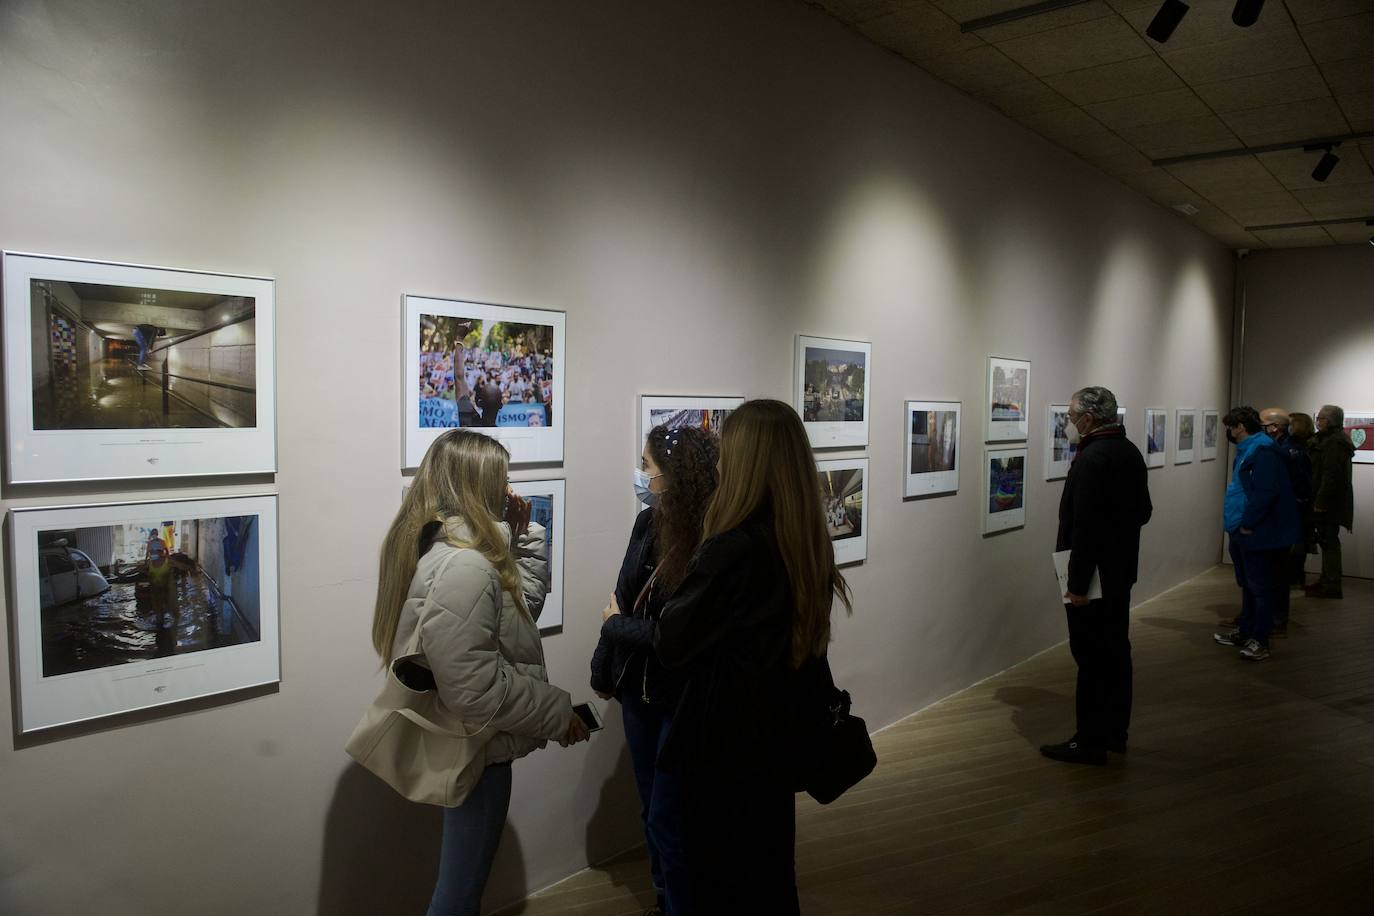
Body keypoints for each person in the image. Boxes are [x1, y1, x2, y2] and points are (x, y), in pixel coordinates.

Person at [623, 399, 851, 914]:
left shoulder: (732, 547)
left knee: (719, 877)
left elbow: (673, 641)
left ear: (746, 460)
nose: (720, 462)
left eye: (729, 451)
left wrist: (622, 621)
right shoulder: (801, 539)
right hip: (776, 739)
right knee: (768, 871)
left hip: (725, 743)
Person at [370, 428, 588, 916]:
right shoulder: (464, 566)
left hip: (476, 742)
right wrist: (556, 712)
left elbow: (517, 616)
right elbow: (476, 689)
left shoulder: (456, 552)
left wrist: (524, 536)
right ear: (479, 485)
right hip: (477, 748)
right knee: (458, 897)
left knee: (461, 890)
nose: (510, 491)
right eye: (503, 480)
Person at [590, 425, 720, 916]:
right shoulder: (646, 524)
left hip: (680, 697)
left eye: (646, 465)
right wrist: (607, 667)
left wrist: (619, 628)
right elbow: (621, 596)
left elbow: (679, 637)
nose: (640, 475)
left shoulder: (710, 540)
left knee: (672, 816)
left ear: (675, 474)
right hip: (637, 694)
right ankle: (666, 896)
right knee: (652, 808)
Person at [1040, 387, 1151, 766]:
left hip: (1094, 579)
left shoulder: (1092, 459)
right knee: (1117, 652)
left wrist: (1077, 585)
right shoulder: (1129, 451)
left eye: (1071, 417)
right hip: (1120, 572)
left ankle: (1089, 741)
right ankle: (1114, 733)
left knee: (1090, 658)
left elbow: (1084, 529)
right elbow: (1144, 511)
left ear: (1088, 418)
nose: (1068, 424)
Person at [1214, 407, 1299, 662]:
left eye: (1230, 427)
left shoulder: (1263, 452)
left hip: (1255, 531)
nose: (1228, 432)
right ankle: (1247, 631)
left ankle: (1260, 640)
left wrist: (1248, 523)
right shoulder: (1251, 450)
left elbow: (1265, 492)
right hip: (1242, 528)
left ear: (1239, 427)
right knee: (1250, 586)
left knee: (1260, 588)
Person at [1259, 408, 1310, 635]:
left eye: (1261, 424)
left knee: (1278, 572)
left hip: (1283, 519)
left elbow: (1299, 488)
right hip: (1280, 518)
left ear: (1274, 427)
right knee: (1271, 572)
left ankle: (1277, 620)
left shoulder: (1290, 452)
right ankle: (1269, 617)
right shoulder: (1281, 449)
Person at [1307, 404, 1354, 599]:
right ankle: (1327, 581)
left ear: (1330, 421)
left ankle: (1331, 584)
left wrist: (1320, 501)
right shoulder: (1331, 440)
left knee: (1329, 541)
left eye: (1321, 418)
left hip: (1330, 502)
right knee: (1327, 540)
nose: (1318, 422)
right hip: (1329, 500)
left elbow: (1330, 475)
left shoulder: (1334, 442)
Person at [1286, 412, 1316, 589]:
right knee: (1300, 540)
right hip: (1301, 499)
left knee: (1298, 540)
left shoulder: (1301, 448)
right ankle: (1296, 574)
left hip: (1300, 500)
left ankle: (1294, 574)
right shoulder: (1305, 446)